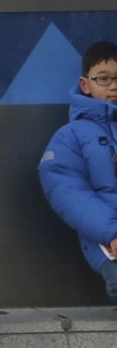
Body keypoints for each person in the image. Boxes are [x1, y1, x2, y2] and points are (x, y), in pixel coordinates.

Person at [38, 40, 117, 302]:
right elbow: (66, 190)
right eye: (104, 79)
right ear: (86, 85)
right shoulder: (70, 136)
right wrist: (112, 232)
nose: (113, 86)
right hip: (107, 240)